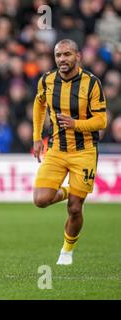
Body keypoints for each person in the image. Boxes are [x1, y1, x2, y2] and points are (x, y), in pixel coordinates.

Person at [32, 39, 107, 265]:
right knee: (40, 200)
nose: (62, 59)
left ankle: (66, 251)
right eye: (58, 55)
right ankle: (68, 190)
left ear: (78, 56)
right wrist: (37, 137)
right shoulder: (47, 80)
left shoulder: (92, 84)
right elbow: (39, 105)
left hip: (84, 152)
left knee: (75, 208)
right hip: (56, 149)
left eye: (67, 54)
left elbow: (101, 120)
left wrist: (75, 124)